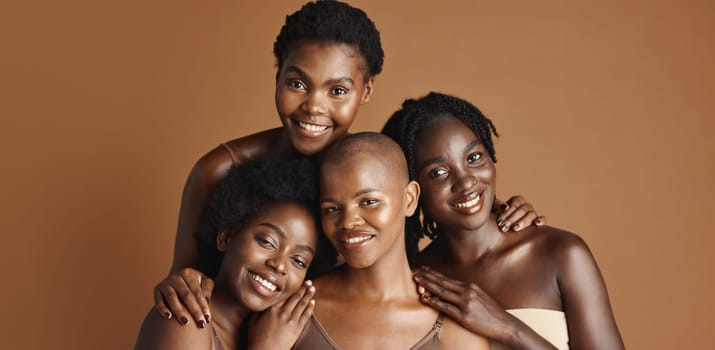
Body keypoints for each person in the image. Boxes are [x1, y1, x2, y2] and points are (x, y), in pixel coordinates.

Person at [155, 0, 543, 328]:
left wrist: (499, 214)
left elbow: (443, 206)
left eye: (338, 90)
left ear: (366, 89)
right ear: (278, 76)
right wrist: (178, 285)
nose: (314, 107)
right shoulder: (220, 170)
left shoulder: (376, 164)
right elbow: (186, 281)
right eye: (297, 84)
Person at [382, 92, 624, 349]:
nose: (466, 182)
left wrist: (506, 327)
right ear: (411, 190)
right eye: (438, 172)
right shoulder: (415, 279)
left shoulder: (560, 253)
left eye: (474, 158)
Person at [292, 133, 490, 349]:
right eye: (332, 209)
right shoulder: (294, 312)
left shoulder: (455, 331)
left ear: (410, 199)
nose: (348, 222)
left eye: (368, 201)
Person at [136, 157, 322, 349]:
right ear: (226, 238)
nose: (280, 265)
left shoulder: (280, 333)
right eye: (267, 242)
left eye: (299, 261)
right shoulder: (184, 320)